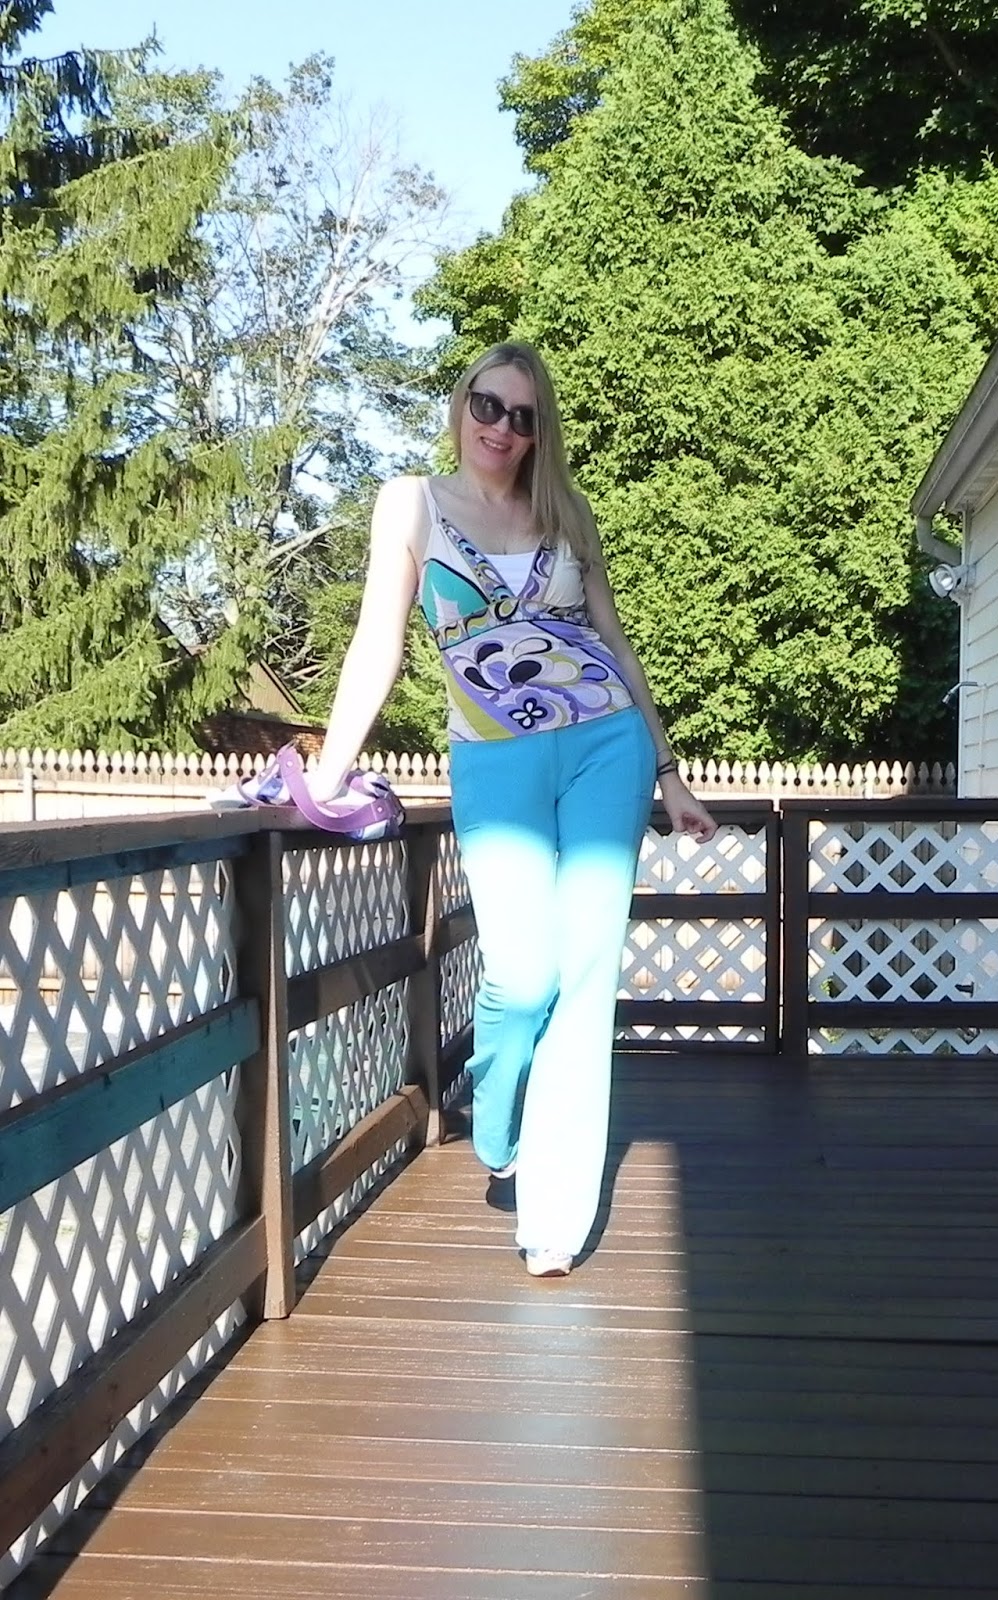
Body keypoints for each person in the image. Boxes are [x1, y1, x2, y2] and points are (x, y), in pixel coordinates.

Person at [311, 341, 716, 1278]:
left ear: (540, 433)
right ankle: (494, 1116)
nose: (501, 428)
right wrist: (331, 770)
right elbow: (378, 643)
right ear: (463, 405)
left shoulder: (565, 511)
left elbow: (614, 642)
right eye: (488, 406)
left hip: (607, 747)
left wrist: (668, 772)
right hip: (494, 761)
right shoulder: (411, 503)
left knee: (585, 978)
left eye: (523, 417)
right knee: (523, 975)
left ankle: (554, 1220)